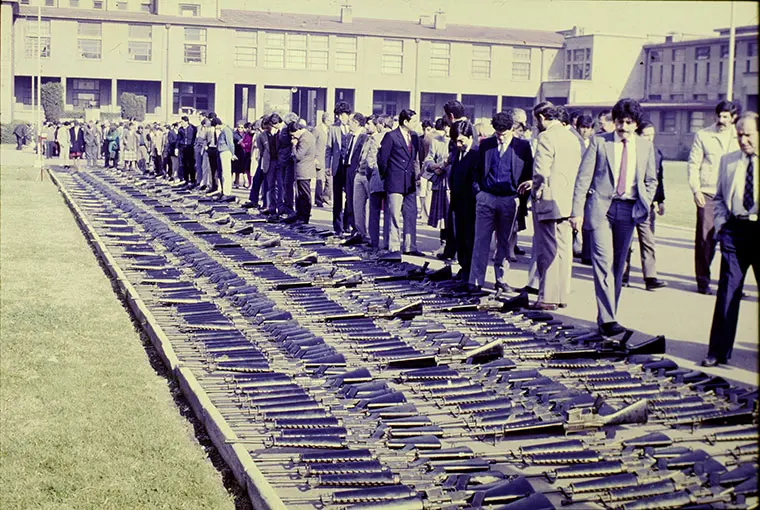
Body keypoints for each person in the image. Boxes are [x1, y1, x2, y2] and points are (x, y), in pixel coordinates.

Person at [570, 98, 657, 337]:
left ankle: (607, 316)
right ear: (614, 122)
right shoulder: (600, 142)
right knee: (603, 262)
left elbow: (651, 180)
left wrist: (644, 203)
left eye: (629, 122)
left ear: (636, 124)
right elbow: (582, 179)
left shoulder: (644, 146)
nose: (624, 127)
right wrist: (577, 212)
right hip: (601, 211)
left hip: (629, 211)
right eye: (620, 121)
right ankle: (609, 319)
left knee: (619, 266)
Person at [702, 111, 759, 367]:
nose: (743, 140)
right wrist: (723, 226)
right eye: (739, 135)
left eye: (748, 135)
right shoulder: (728, 161)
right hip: (735, 232)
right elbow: (720, 199)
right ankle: (718, 351)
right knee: (727, 291)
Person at [468, 111, 533, 291]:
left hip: (510, 199)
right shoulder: (486, 145)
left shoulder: (523, 146)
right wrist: (479, 192)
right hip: (486, 197)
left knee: (504, 242)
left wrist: (521, 200)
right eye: (497, 133)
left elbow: (529, 175)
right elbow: (476, 171)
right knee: (481, 240)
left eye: (503, 134)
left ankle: (501, 279)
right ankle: (475, 281)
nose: (500, 137)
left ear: (512, 129)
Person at [529, 102, 582, 310]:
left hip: (548, 199)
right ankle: (561, 295)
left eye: (536, 120)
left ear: (542, 117)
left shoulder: (546, 137)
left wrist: (535, 190)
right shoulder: (573, 137)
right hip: (567, 200)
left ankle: (547, 297)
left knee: (547, 249)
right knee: (563, 249)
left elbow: (541, 171)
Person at [686, 100, 741, 295]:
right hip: (708, 194)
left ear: (734, 118)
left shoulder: (740, 136)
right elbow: (693, 164)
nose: (721, 120)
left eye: (726, 116)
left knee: (734, 242)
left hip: (734, 197)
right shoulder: (703, 135)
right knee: (705, 239)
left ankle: (733, 285)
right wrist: (696, 190)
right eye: (719, 115)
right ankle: (703, 282)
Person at [622, 120, 667, 290]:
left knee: (648, 241)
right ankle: (622, 274)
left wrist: (660, 200)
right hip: (628, 202)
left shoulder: (656, 153)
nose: (649, 139)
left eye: (652, 135)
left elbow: (658, 179)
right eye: (645, 135)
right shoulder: (630, 151)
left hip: (646, 204)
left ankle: (650, 276)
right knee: (625, 241)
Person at [377, 108, 422, 256]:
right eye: (414, 121)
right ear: (405, 121)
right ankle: (394, 246)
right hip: (395, 181)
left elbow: (416, 159)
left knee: (411, 214)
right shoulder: (391, 136)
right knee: (394, 215)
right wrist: (387, 176)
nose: (416, 124)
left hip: (409, 182)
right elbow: (382, 160)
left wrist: (417, 176)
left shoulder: (415, 137)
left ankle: (410, 246)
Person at [448, 120, 479, 283]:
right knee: (459, 237)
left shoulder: (476, 153)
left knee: (470, 238)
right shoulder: (456, 150)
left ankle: (470, 270)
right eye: (455, 141)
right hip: (457, 201)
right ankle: (463, 266)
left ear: (469, 136)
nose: (458, 144)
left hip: (471, 204)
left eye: (461, 140)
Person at [423, 118, 451, 254]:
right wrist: (433, 167)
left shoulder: (458, 142)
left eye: (450, 126)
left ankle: (453, 247)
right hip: (441, 182)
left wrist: (443, 166)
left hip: (452, 183)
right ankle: (443, 244)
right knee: (442, 217)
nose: (447, 129)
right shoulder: (437, 141)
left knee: (453, 216)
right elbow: (428, 158)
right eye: (446, 126)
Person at [326, 102, 354, 235]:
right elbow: (329, 149)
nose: (341, 118)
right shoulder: (333, 128)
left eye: (343, 115)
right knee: (337, 197)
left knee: (349, 195)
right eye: (338, 115)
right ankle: (337, 226)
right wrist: (328, 166)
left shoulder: (353, 127)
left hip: (349, 167)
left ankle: (347, 224)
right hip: (337, 166)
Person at [366, 115, 393, 250]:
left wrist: (369, 176)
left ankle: (374, 241)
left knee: (374, 212)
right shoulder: (396, 137)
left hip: (376, 179)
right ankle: (388, 242)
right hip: (391, 180)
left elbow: (370, 163)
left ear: (382, 124)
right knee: (389, 213)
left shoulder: (375, 138)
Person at [283, 121, 316, 224]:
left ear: (297, 131)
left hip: (304, 170)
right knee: (300, 194)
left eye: (293, 135)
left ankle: (304, 217)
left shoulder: (305, 139)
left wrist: (294, 146)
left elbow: (298, 156)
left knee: (304, 195)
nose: (293, 138)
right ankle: (299, 214)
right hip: (302, 170)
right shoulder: (305, 136)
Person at [343, 112, 369, 240]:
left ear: (357, 123)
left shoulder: (364, 138)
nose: (348, 124)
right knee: (349, 198)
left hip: (357, 171)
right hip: (347, 169)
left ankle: (359, 229)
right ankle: (352, 227)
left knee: (357, 201)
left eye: (351, 122)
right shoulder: (349, 136)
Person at [214, 117, 236, 200]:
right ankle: (224, 191)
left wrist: (233, 154)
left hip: (226, 152)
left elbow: (230, 143)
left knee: (226, 173)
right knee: (222, 173)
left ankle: (227, 192)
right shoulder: (223, 131)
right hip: (221, 152)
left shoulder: (226, 130)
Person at [314, 111, 331, 207]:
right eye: (329, 120)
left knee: (329, 178)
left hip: (327, 157)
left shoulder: (330, 129)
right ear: (324, 119)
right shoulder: (317, 129)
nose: (330, 122)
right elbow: (313, 143)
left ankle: (326, 197)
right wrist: (314, 158)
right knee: (319, 179)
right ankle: (318, 199)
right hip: (319, 157)